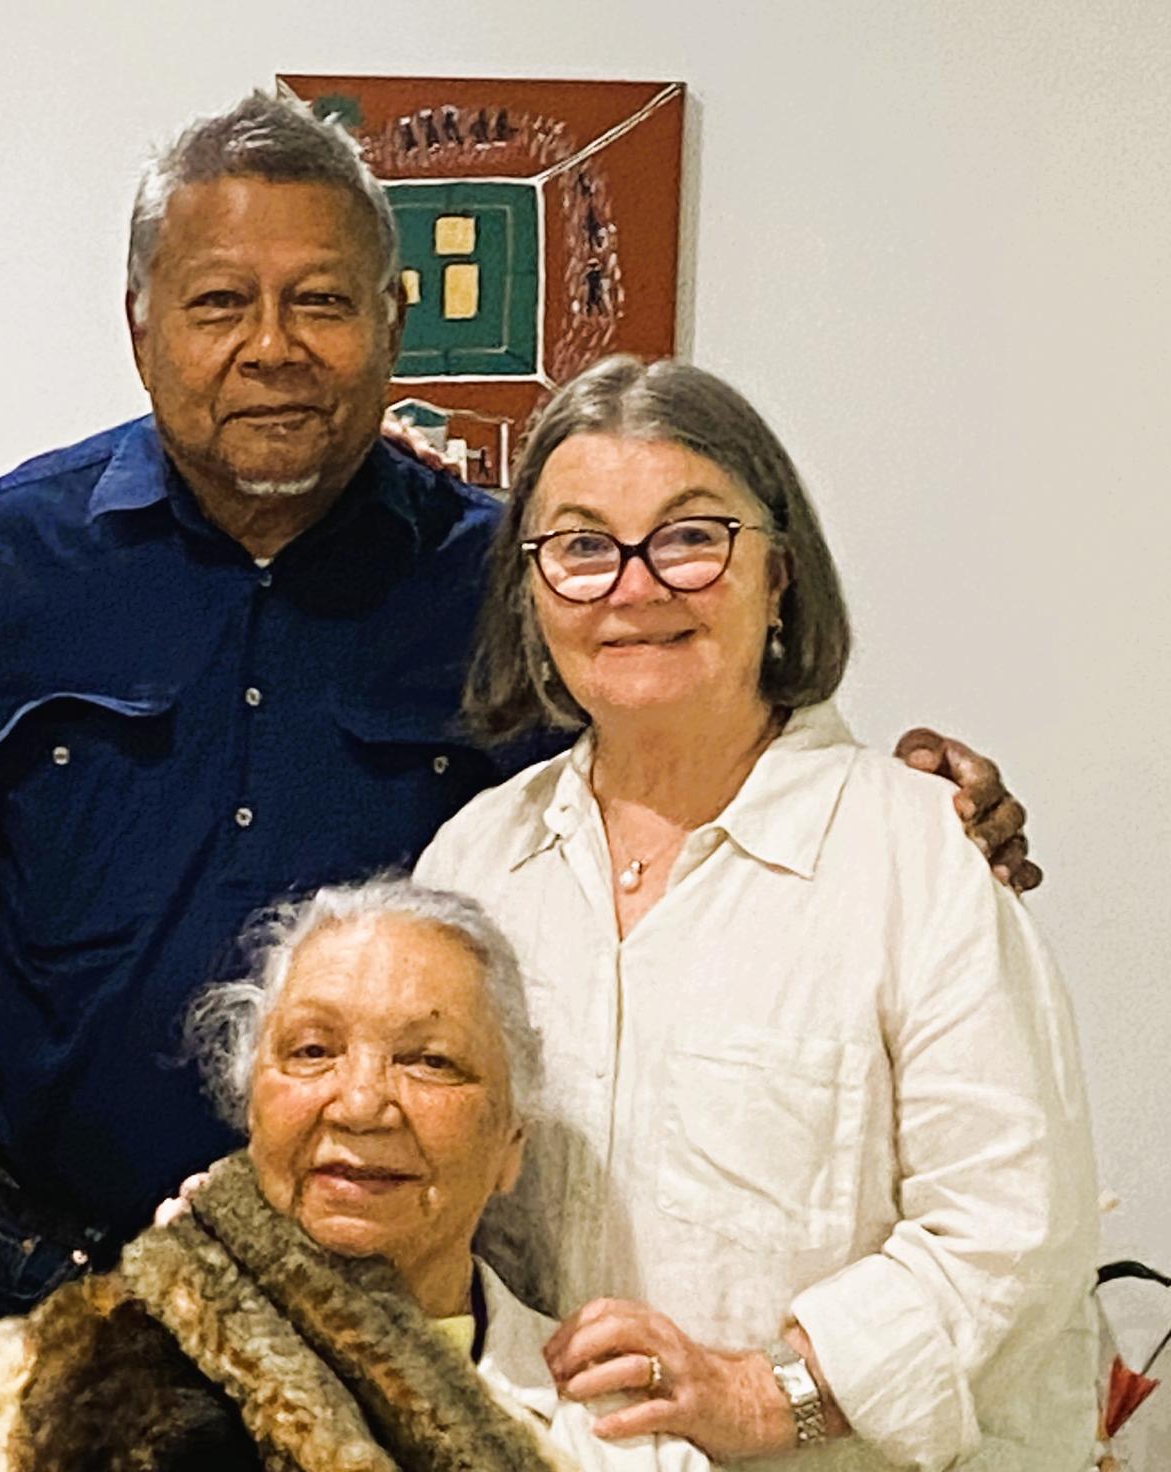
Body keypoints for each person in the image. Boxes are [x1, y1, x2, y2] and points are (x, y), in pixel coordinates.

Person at [0, 91, 1037, 1332]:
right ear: (141, 329)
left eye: (322, 300)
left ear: (393, 321)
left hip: (378, 1294)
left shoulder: (503, 578)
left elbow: (685, 744)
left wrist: (920, 808)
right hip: (59, 1268)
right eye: (218, 303)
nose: (272, 344)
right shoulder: (11, 555)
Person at [414, 354, 1099, 1469]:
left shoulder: (918, 855)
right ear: (532, 592)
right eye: (582, 546)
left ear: (779, 571)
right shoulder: (475, 867)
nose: (635, 586)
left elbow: (1013, 1232)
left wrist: (772, 1394)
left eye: (691, 535)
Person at [0, 877, 711, 1471]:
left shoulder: (619, 1440)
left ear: (511, 1147)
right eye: (313, 1051)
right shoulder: (57, 1387)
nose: (360, 1104)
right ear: (253, 1106)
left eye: (429, 1061)